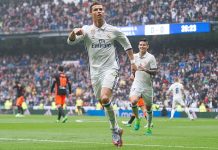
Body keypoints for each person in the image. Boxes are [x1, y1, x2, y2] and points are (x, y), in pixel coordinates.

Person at [67, 2, 137, 147]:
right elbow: (70, 42)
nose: (99, 11)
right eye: (96, 10)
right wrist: (74, 32)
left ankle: (113, 131)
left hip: (111, 69)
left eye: (101, 9)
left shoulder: (112, 30)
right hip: (95, 72)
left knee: (105, 98)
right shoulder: (86, 30)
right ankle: (117, 128)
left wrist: (132, 62)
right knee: (103, 102)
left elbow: (126, 44)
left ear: (103, 12)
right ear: (91, 13)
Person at [129, 38, 157, 135]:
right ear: (138, 46)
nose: (142, 46)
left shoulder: (151, 57)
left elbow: (155, 72)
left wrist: (145, 70)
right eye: (140, 45)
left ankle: (148, 128)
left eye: (144, 45)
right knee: (133, 101)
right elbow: (133, 68)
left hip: (147, 86)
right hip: (137, 84)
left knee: (148, 109)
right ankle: (137, 119)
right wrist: (132, 74)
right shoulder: (134, 56)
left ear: (147, 46)